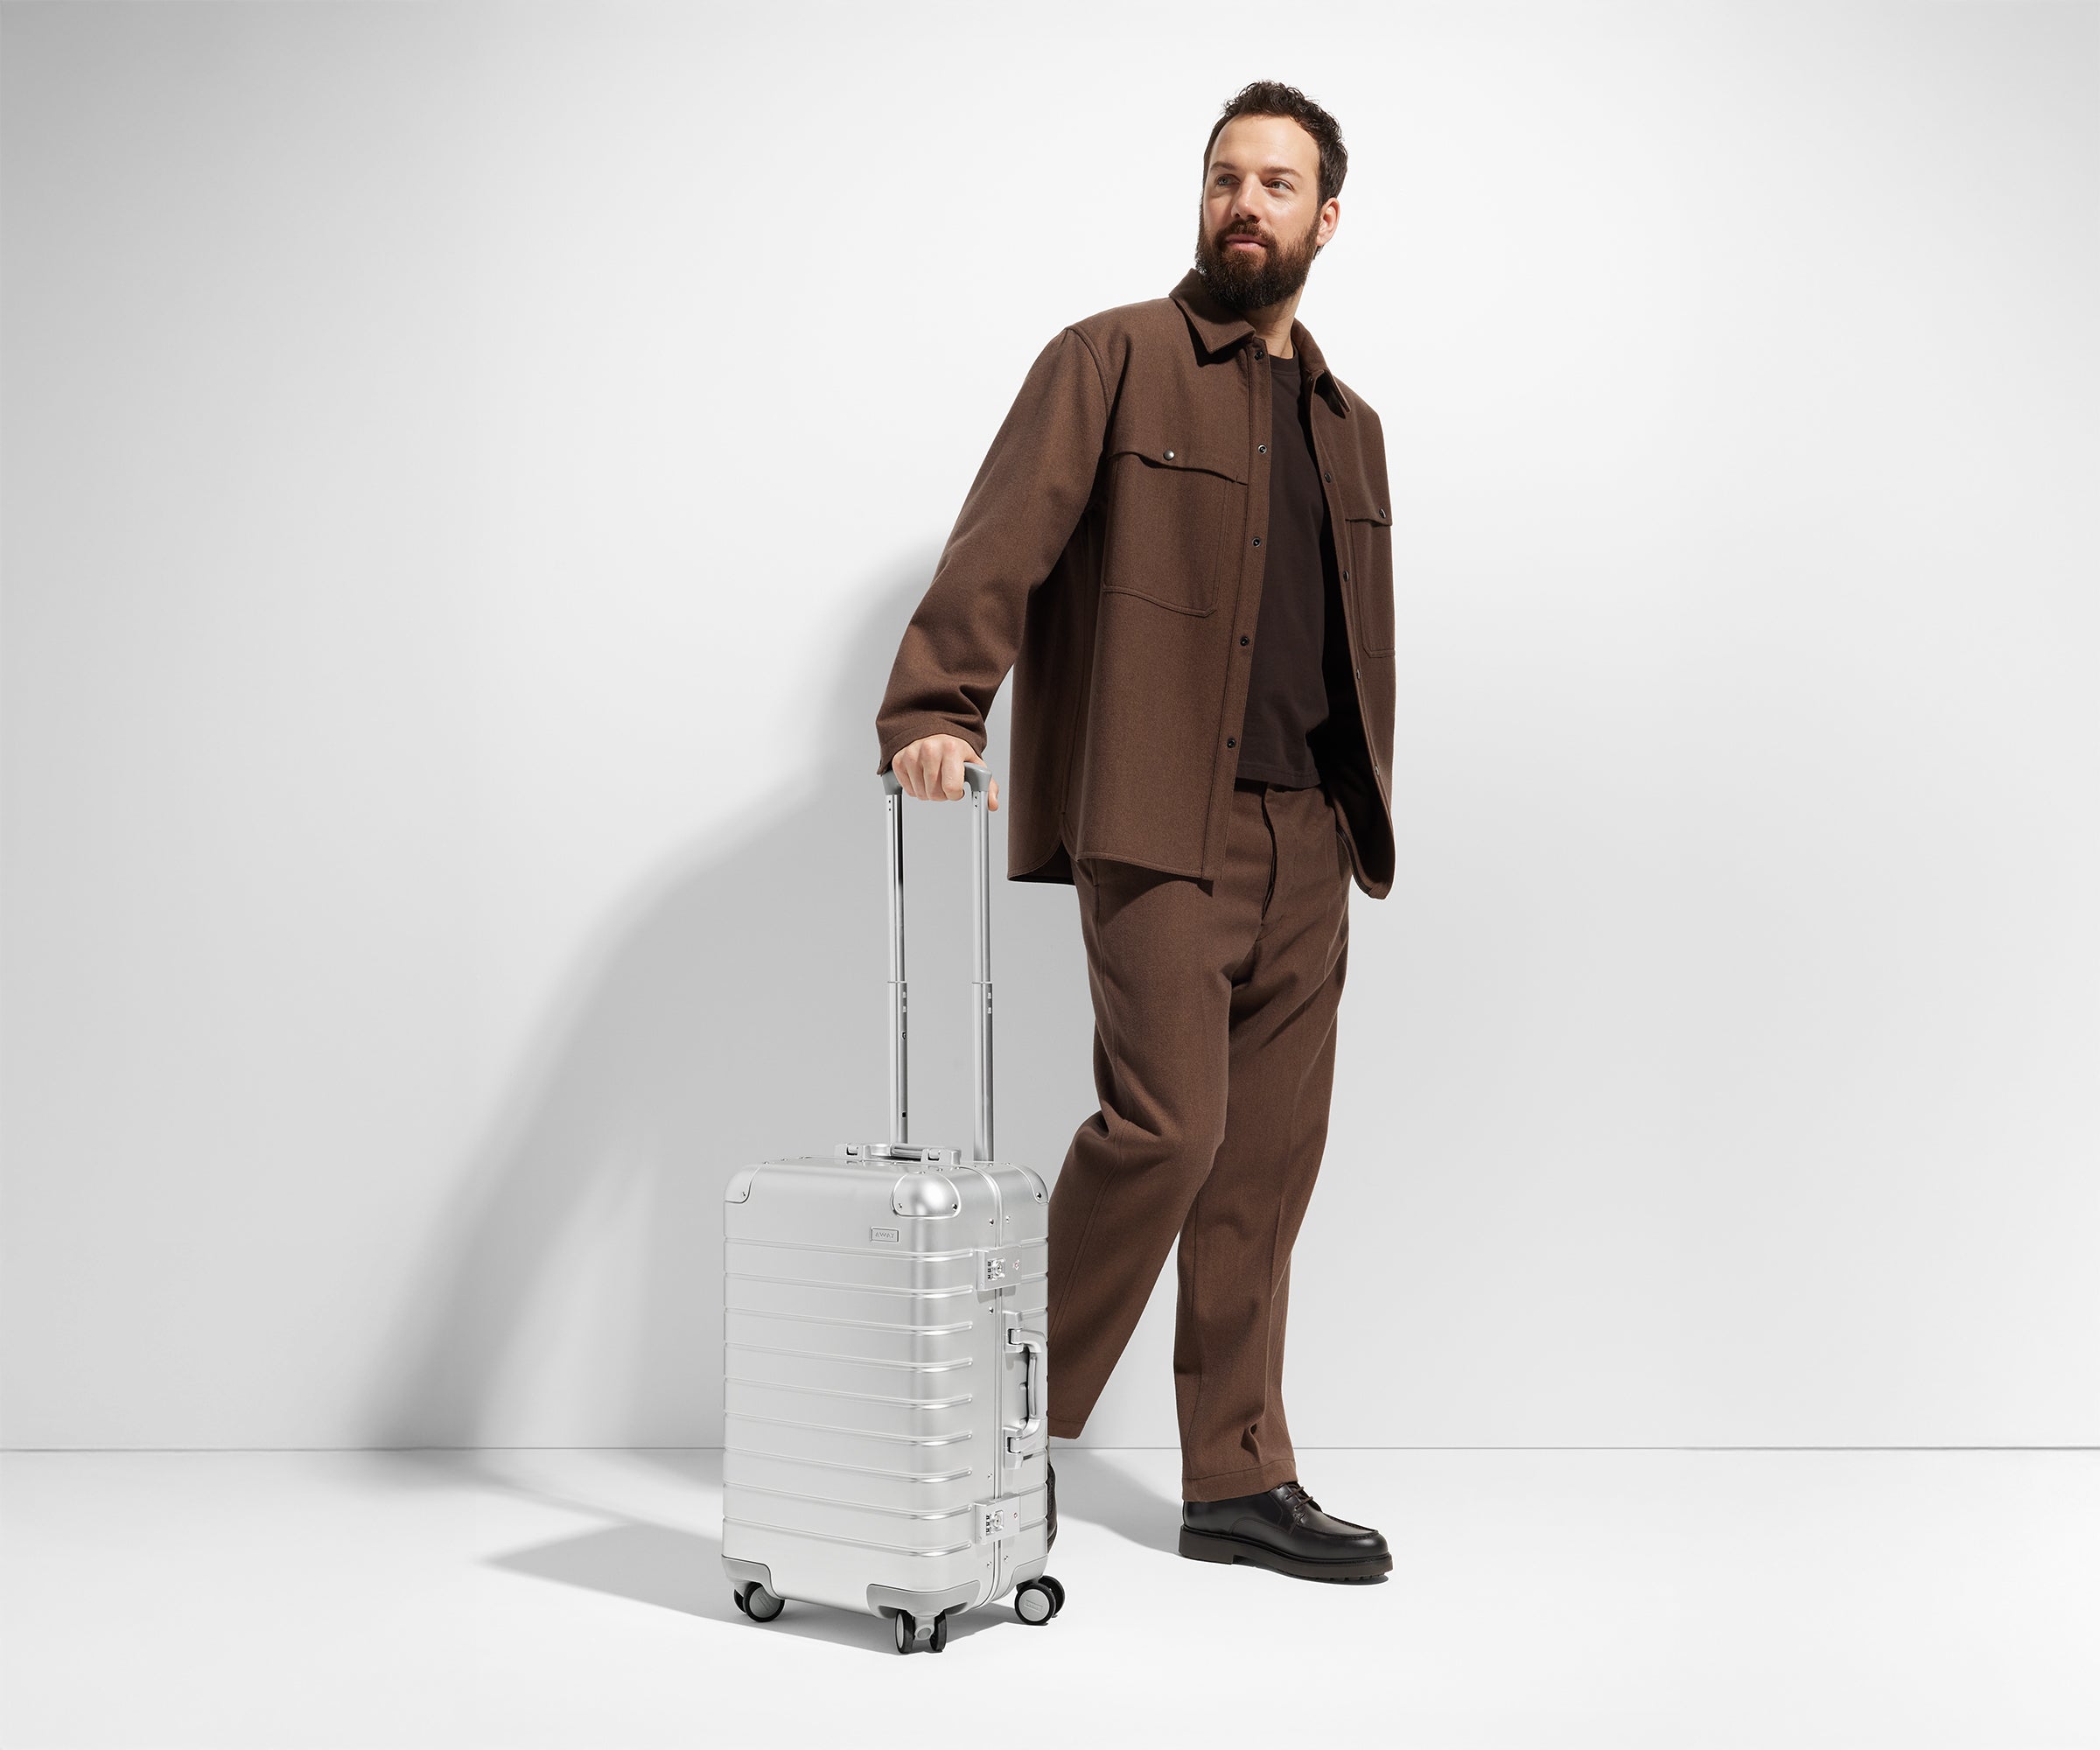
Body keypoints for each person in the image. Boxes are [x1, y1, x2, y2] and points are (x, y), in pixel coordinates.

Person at [875, 80, 1396, 1584]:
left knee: (1266, 1165)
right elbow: (1005, 540)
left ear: (1327, 217)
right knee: (1166, 1130)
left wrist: (1354, 820)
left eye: (1279, 184)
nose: (1246, 202)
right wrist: (939, 707)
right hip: (1162, 820)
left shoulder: (1351, 430)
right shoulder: (1109, 360)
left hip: (1314, 840)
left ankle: (1236, 1478)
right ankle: (977, 1424)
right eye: (1227, 177)